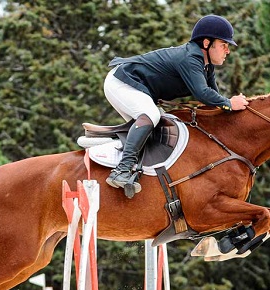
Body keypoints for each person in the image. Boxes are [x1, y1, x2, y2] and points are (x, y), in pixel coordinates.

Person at [103, 14, 249, 194]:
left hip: (137, 88)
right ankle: (121, 171)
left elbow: (213, 100)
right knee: (151, 116)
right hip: (122, 82)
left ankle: (139, 174)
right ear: (206, 43)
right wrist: (229, 103)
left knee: (161, 127)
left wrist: (231, 110)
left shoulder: (206, 65)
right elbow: (203, 94)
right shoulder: (190, 58)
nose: (227, 51)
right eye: (223, 45)